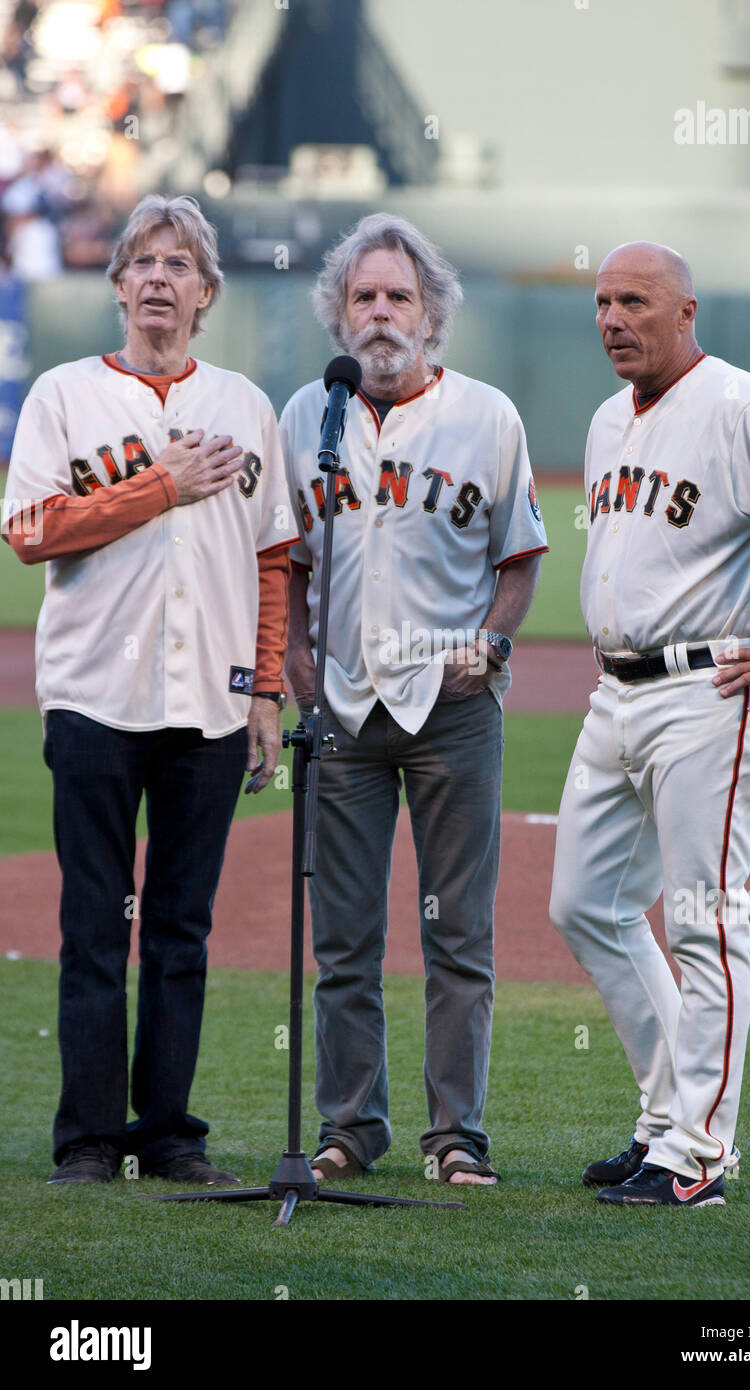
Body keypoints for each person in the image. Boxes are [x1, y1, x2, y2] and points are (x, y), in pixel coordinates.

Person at [549, 241, 750, 1207]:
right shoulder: (610, 418)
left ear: (686, 312)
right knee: (585, 904)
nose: (612, 319)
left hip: (708, 691)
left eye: (634, 302)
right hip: (615, 693)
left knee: (701, 922)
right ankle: (663, 1117)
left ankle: (697, 1155)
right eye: (602, 302)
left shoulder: (747, 406)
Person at [2, 194, 297, 1185]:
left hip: (211, 703)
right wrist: (158, 488)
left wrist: (263, 691)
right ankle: (87, 1138)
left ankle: (168, 1131)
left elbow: (271, 559)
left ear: (207, 294)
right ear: (118, 285)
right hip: (92, 692)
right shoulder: (63, 396)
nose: (160, 278)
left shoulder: (245, 407)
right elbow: (31, 531)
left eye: (180, 264)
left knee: (181, 927)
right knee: (94, 923)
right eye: (143, 262)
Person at [279, 213, 547, 1186]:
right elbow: (290, 565)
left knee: (456, 933)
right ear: (338, 313)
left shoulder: (486, 415)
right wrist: (295, 674)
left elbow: (515, 560)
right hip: (343, 710)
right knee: (342, 936)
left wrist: (494, 638)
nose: (381, 312)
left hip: (452, 706)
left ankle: (454, 1133)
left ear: (431, 313)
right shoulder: (309, 414)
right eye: (363, 296)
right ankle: (349, 1126)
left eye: (398, 296)